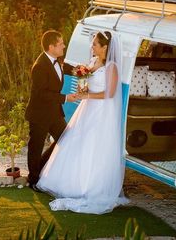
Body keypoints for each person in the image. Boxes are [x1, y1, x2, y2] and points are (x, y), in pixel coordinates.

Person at [36, 31, 128, 214]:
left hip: (102, 113)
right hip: (86, 108)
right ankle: (67, 182)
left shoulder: (112, 68)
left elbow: (109, 94)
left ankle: (89, 186)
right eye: (92, 43)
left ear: (105, 47)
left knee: (93, 146)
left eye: (95, 44)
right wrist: (82, 80)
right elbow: (84, 87)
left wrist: (87, 95)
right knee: (76, 142)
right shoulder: (92, 63)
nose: (91, 47)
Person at [25, 29, 80, 188]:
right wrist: (65, 98)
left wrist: (85, 70)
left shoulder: (58, 60)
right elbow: (41, 94)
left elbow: (70, 69)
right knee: (35, 146)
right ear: (51, 47)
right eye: (61, 44)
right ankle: (33, 180)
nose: (64, 46)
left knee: (65, 139)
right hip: (40, 113)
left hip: (55, 113)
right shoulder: (39, 66)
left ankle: (42, 166)